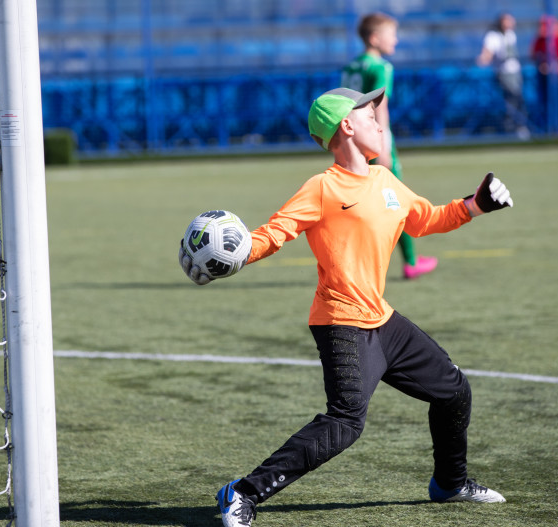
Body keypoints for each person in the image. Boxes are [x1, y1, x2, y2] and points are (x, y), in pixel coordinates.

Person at [179, 86, 514, 527]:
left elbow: (427, 218)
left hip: (382, 319)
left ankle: (450, 483)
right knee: (346, 423)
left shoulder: (385, 180)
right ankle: (242, 492)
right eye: (371, 116)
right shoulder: (322, 188)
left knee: (453, 391)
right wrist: (237, 253)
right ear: (347, 126)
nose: (380, 123)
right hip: (341, 322)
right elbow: (276, 231)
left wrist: (477, 204)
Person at [341, 12, 438, 280]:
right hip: (372, 140)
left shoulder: (351, 67)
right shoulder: (382, 67)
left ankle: (347, 261)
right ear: (375, 38)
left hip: (350, 140)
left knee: (356, 203)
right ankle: (411, 262)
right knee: (396, 202)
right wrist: (383, 146)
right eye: (391, 35)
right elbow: (379, 108)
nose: (396, 39)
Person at [476, 12, 530, 140]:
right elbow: (487, 53)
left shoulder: (511, 35)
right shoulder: (493, 36)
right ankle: (511, 128)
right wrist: (483, 59)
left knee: (518, 100)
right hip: (504, 73)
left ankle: (519, 126)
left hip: (515, 72)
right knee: (511, 100)